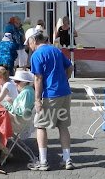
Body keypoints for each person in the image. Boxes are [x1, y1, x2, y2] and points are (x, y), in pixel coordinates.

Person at [27, 32, 74, 171]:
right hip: (64, 92)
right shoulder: (56, 50)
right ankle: (67, 159)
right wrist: (65, 79)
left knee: (40, 125)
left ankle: (43, 161)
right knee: (63, 126)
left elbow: (38, 79)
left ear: (34, 40)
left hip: (50, 94)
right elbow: (70, 66)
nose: (29, 47)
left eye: (29, 44)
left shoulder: (36, 55)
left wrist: (37, 99)